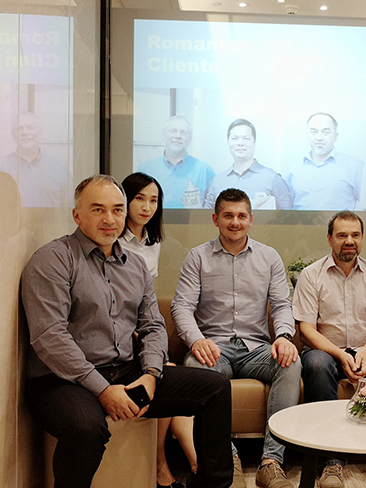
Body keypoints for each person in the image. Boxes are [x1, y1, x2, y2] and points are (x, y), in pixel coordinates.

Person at [21, 175, 233, 488]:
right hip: (61, 380)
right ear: (77, 215)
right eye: (98, 209)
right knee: (85, 427)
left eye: (117, 210)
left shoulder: (135, 265)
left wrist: (151, 374)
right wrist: (103, 391)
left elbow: (153, 325)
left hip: (124, 370)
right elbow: (50, 337)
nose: (110, 219)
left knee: (214, 387)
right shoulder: (53, 259)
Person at [172, 188, 301, 488]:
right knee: (197, 368)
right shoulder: (198, 257)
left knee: (291, 363)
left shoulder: (269, 257)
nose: (235, 222)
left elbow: (282, 304)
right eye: (228, 215)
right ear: (215, 219)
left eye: (242, 216)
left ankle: (271, 462)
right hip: (213, 347)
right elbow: (182, 306)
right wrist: (196, 341)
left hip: (257, 349)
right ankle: (226, 458)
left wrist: (284, 336)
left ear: (251, 220)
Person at [293, 211, 366, 488]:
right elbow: (307, 329)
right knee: (316, 364)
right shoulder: (311, 275)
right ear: (329, 239)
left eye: (355, 235)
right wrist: (340, 354)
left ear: (362, 238)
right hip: (325, 351)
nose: (349, 241)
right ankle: (331, 461)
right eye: (342, 235)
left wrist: (365, 352)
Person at [118, 172, 196, 488]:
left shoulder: (155, 243)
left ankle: (176, 461)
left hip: (143, 328)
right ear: (125, 200)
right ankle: (162, 463)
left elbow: (147, 299)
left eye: (154, 200)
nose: (147, 207)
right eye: (140, 198)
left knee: (168, 373)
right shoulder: (113, 240)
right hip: (119, 332)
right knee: (166, 373)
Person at [203, 119, 293, 210]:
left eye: (246, 138)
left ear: (254, 142)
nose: (240, 143)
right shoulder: (217, 181)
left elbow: (287, 215)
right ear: (228, 142)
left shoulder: (273, 179)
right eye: (235, 138)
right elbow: (206, 216)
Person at [286, 113, 364, 210]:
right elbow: (287, 207)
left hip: (339, 221)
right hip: (300, 220)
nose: (319, 138)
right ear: (307, 135)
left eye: (326, 132)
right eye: (313, 132)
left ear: (336, 136)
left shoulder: (354, 167)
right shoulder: (294, 169)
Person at [137, 115, 215, 209]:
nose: (178, 136)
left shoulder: (205, 171)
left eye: (183, 133)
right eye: (173, 131)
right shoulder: (145, 169)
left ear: (190, 139)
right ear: (163, 136)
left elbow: (212, 209)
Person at [0, 111, 71, 207]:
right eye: (20, 129)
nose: (25, 132)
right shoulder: (2, 166)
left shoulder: (59, 168)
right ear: (13, 135)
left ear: (41, 133)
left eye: (30, 127)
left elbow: (69, 207)